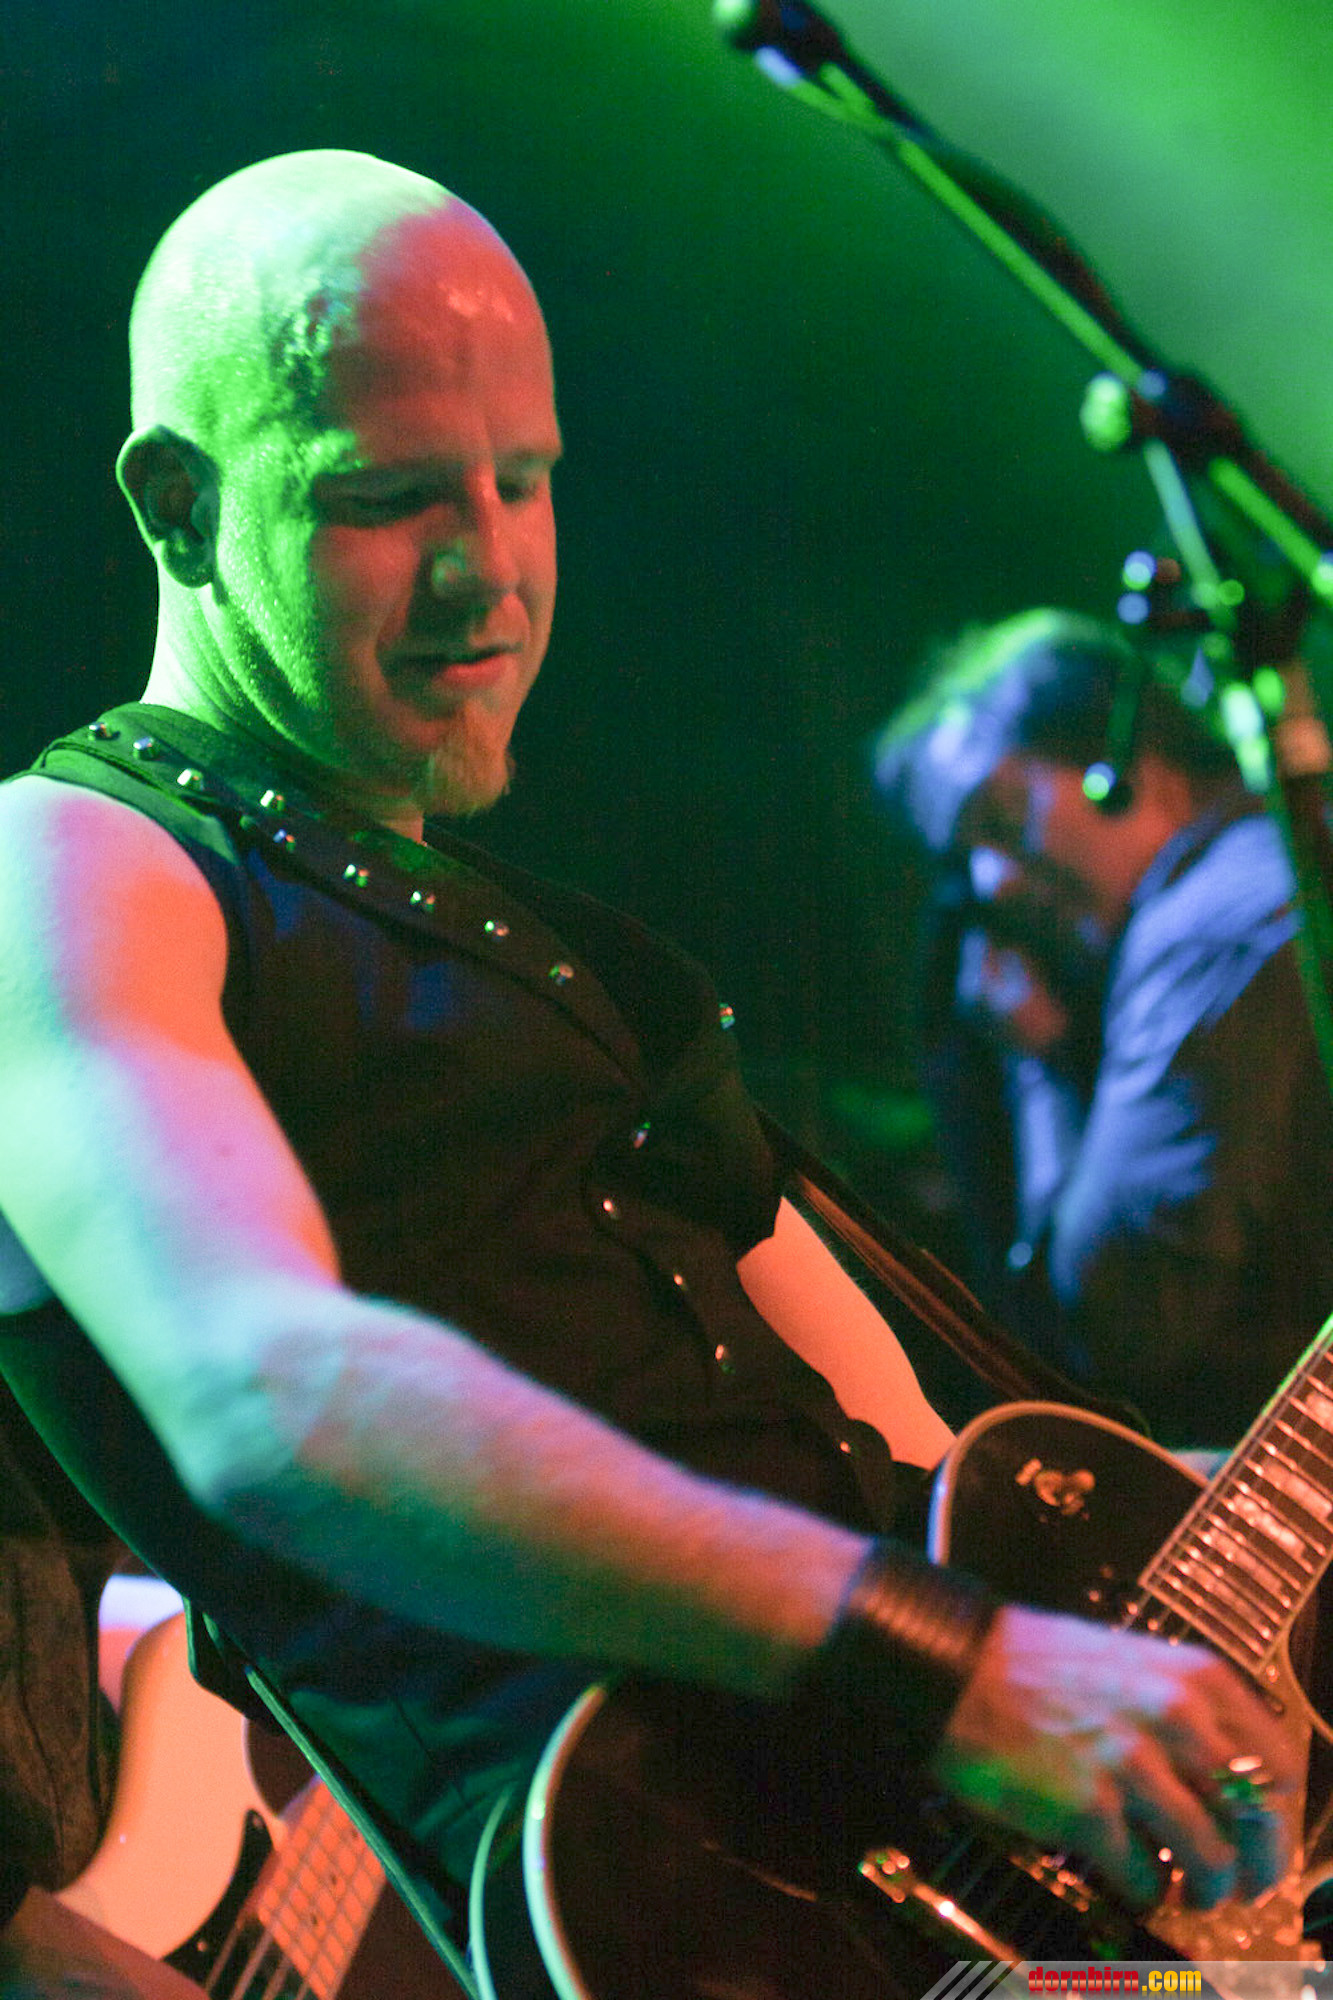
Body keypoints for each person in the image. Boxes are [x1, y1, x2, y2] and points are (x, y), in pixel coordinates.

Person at [0, 152, 1301, 1967]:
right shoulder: (67, 861)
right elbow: (271, 1398)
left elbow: (925, 1468)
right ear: (178, 504)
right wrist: (953, 1667)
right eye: (389, 498)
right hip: (687, 1917)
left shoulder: (590, 964)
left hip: (960, 1879)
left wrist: (1126, 1667)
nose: (491, 570)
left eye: (522, 482)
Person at [873, 607, 1333, 1444]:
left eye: (1001, 818)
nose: (993, 885)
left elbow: (1113, 1331)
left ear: (1122, 755)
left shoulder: (1203, 931)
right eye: (967, 858)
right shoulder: (1272, 866)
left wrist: (1037, 1064)